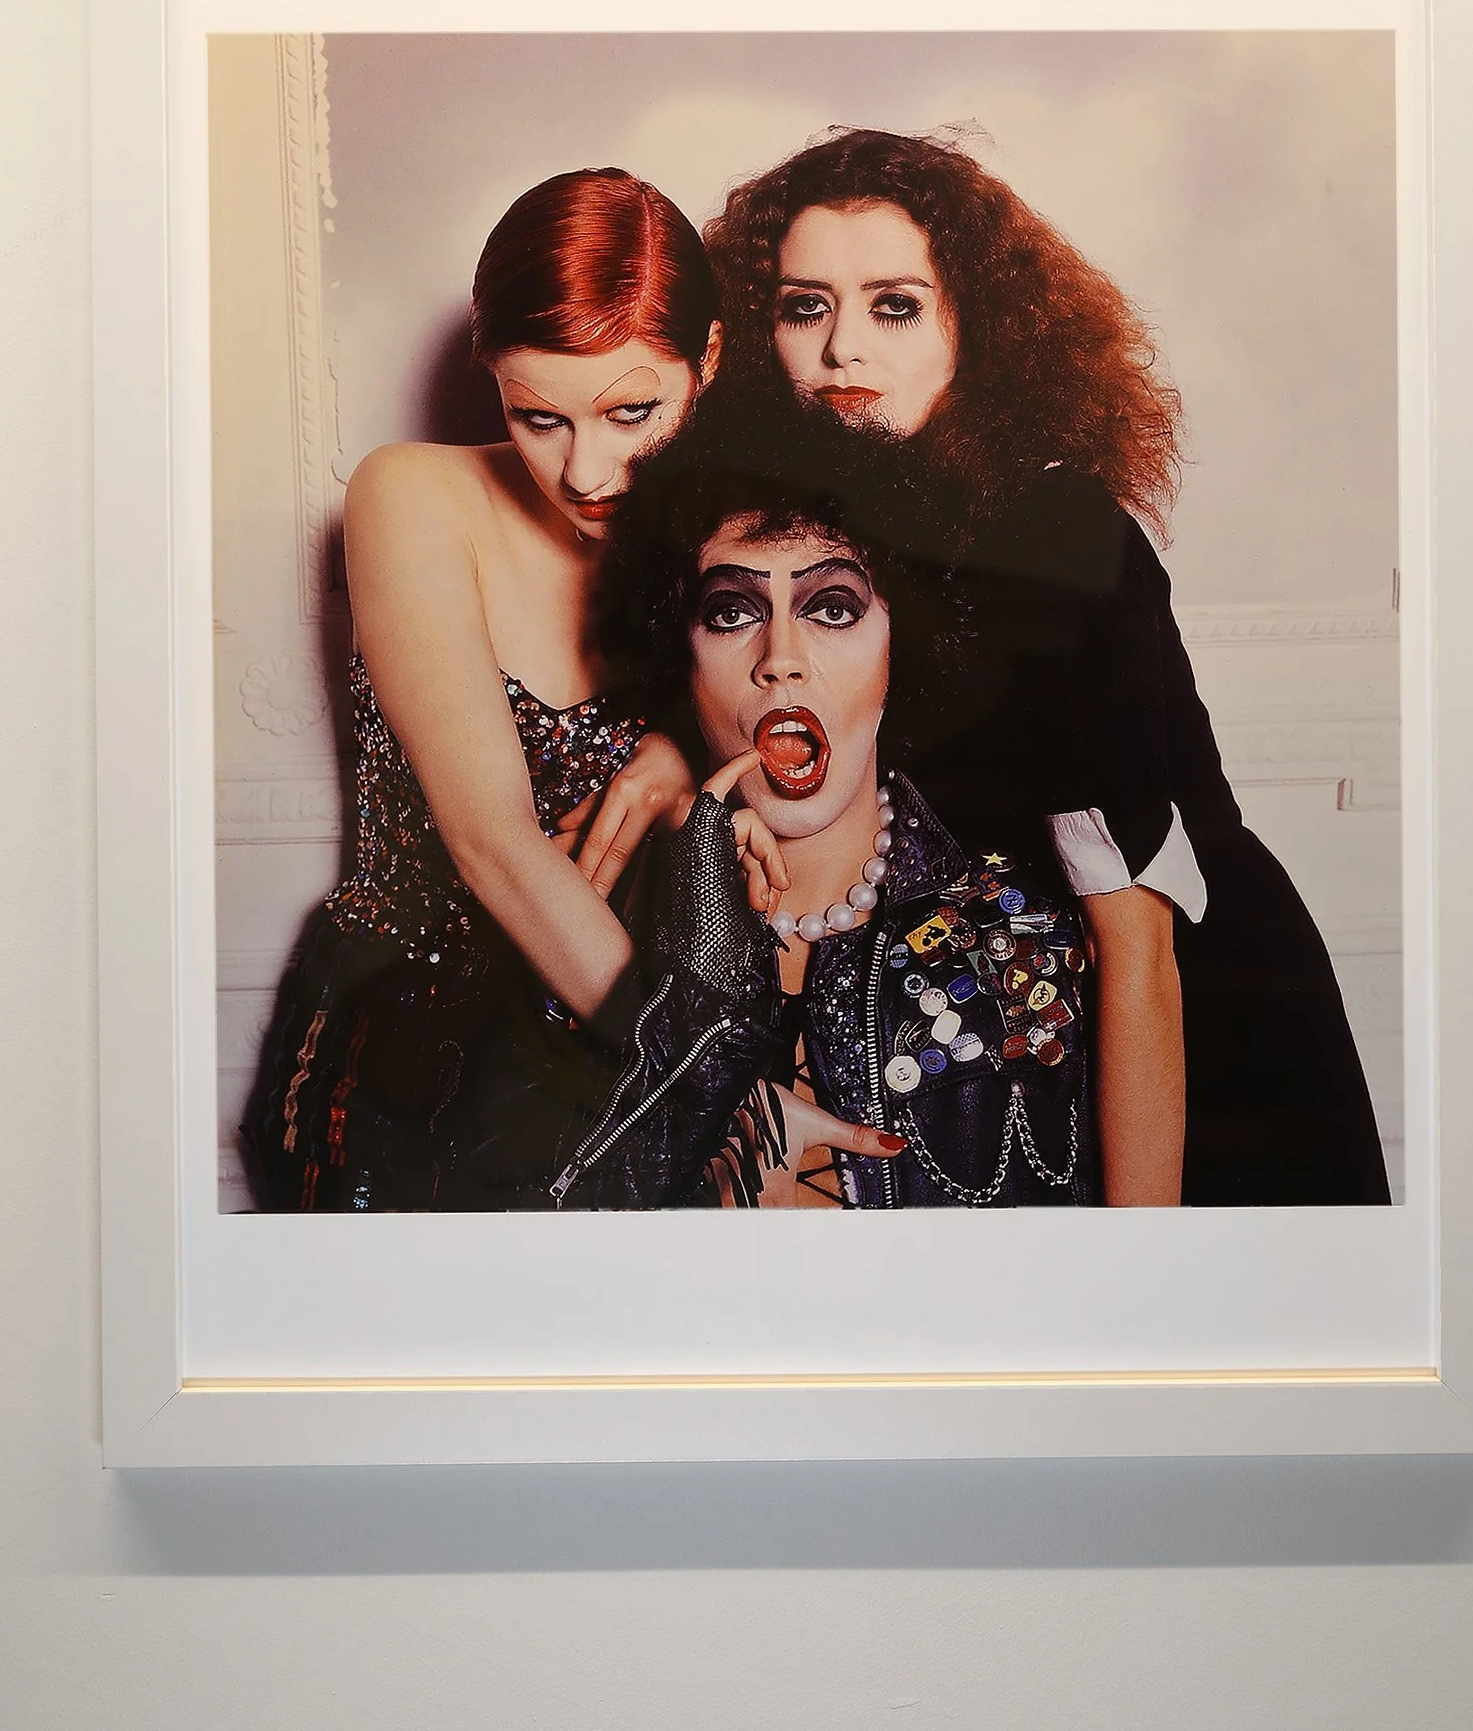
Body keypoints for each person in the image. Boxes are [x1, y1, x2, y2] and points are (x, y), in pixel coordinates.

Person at [701, 127, 1390, 1206]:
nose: (843, 350)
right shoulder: (827, 526)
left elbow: (1136, 932)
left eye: (894, 306)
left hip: (1189, 1019)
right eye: (804, 307)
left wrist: (1130, 1263)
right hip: (1016, 1019)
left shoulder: (1056, 534)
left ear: (975, 329)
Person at [243, 167, 746, 1210]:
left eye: (631, 412)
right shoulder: (412, 494)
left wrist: (682, 749)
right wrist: (727, 1104)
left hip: (635, 1041)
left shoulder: (737, 540)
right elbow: (492, 842)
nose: (588, 472)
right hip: (411, 1060)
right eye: (540, 418)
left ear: (710, 359)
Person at [562, 400, 1105, 1211]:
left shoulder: (1026, 948)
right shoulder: (592, 931)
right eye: (731, 611)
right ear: (682, 660)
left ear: (901, 646)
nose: (781, 658)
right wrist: (700, 1010)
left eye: (833, 607)